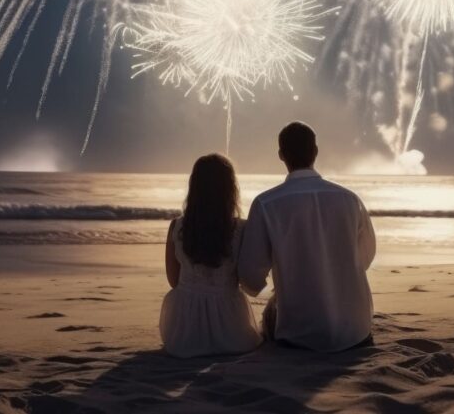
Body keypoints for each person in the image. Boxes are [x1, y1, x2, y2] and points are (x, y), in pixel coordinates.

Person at [238, 121, 376, 352]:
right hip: (356, 331)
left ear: (281, 155)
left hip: (298, 335)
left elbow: (250, 275)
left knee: (272, 313)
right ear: (315, 151)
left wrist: (275, 290)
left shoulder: (267, 203)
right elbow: (365, 257)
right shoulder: (350, 200)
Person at [160, 154, 262, 358]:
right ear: (230, 189)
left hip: (183, 329)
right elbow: (247, 277)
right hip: (230, 327)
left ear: (194, 187)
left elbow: (173, 281)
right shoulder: (242, 229)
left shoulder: (177, 226)